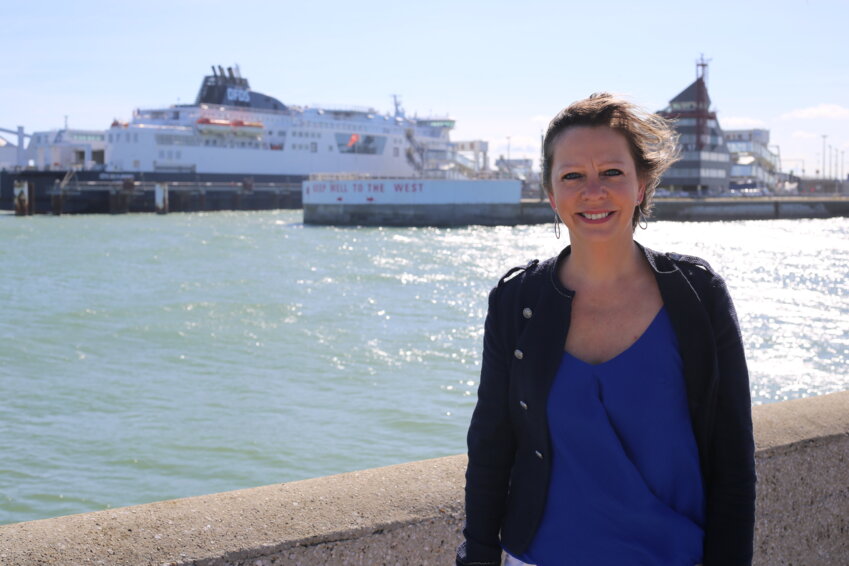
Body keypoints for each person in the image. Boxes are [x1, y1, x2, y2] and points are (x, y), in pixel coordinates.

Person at [456, 93, 756, 566]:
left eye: (612, 172)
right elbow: (491, 446)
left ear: (641, 186)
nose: (593, 191)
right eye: (572, 176)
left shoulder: (699, 297)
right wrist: (476, 556)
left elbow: (733, 460)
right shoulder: (516, 302)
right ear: (551, 195)